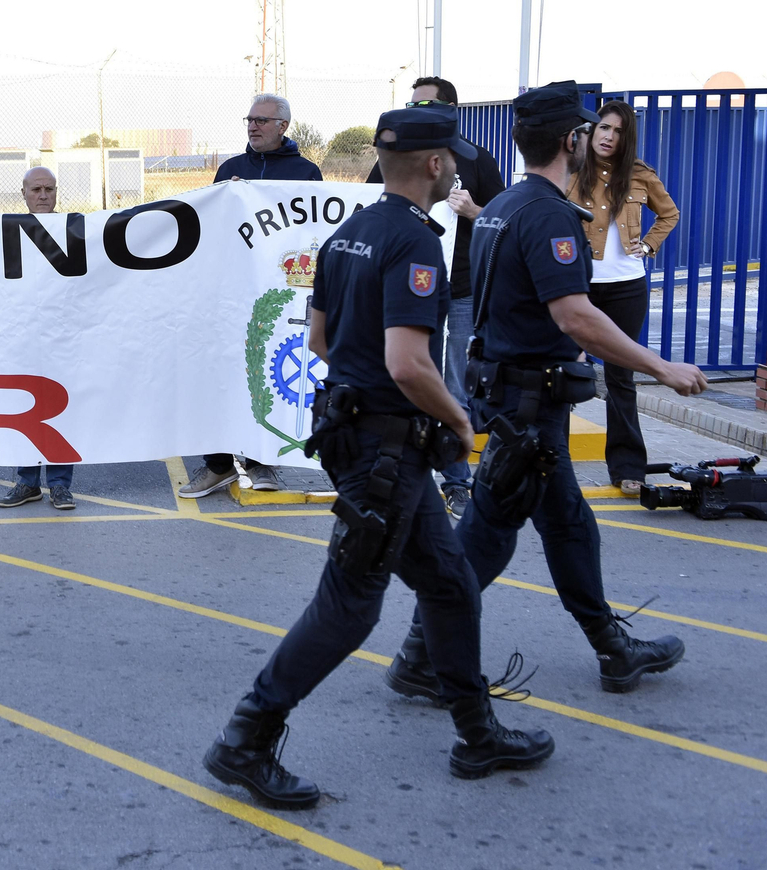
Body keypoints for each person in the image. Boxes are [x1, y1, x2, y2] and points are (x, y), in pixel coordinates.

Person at [203, 106, 552, 811]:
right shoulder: (416, 241)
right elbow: (408, 362)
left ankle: (476, 732)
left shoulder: (348, 234)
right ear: (434, 165)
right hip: (385, 452)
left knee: (449, 583)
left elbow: (320, 340)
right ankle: (246, 737)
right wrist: (458, 420)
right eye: (451, 159)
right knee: (350, 607)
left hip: (368, 441)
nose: (455, 169)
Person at [384, 82, 708, 702]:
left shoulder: (504, 205)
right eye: (585, 131)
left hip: (520, 402)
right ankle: (422, 654)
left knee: (565, 525)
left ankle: (611, 648)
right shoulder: (549, 215)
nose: (590, 139)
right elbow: (574, 316)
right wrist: (660, 366)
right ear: (571, 140)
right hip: (527, 408)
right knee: (490, 536)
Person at [365, 77, 506, 519]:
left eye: (423, 105)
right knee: (410, 379)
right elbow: (367, 202)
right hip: (409, 292)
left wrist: (473, 211)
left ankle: (457, 481)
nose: (414, 111)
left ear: (450, 110)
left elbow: (502, 222)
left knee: (455, 387)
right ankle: (404, 474)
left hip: (461, 290)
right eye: (410, 105)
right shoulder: (401, 157)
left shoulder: (477, 159)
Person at [183, 93, 321, 499]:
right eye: (249, 119)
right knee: (222, 374)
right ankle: (218, 465)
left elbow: (313, 230)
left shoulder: (305, 172)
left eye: (261, 120)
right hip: (231, 291)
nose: (253, 126)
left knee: (267, 376)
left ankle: (263, 463)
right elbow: (211, 225)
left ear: (283, 126)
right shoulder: (231, 170)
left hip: (279, 292)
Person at [566, 100, 679, 497]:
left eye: (617, 131)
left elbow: (669, 214)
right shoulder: (571, 170)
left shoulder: (640, 174)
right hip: (578, 286)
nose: (609, 136)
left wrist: (647, 246)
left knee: (620, 377)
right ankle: (548, 460)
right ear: (592, 130)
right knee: (559, 370)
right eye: (603, 128)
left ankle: (628, 468)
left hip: (626, 287)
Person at [0, 167, 77, 511]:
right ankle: (27, 482)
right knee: (23, 408)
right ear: (24, 194)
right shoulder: (4, 233)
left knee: (60, 412)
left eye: (49, 189)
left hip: (62, 336)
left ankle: (59, 485)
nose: (43, 195)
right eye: (36, 190)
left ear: (56, 192)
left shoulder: (74, 230)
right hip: (22, 336)